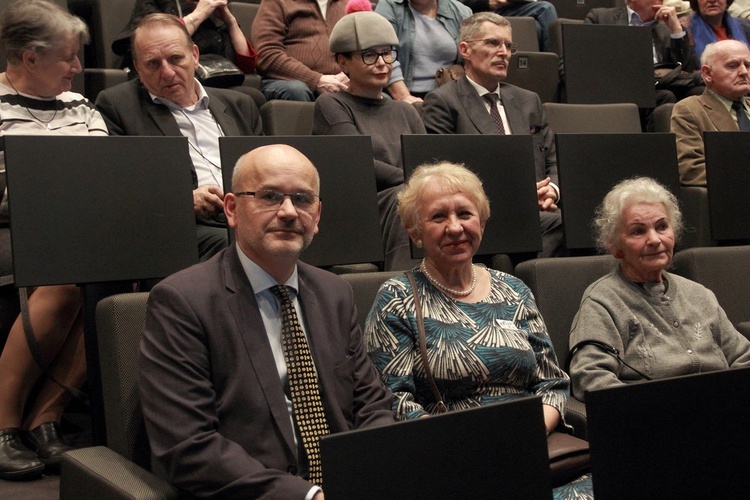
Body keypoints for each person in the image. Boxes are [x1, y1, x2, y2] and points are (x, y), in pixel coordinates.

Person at [139, 144, 395, 498]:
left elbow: (372, 405)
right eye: (270, 196)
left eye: (302, 199)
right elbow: (189, 447)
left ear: (317, 215)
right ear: (231, 209)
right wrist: (307, 496)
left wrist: (371, 470)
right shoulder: (183, 302)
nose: (289, 212)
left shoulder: (335, 293)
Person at [364, 162, 592, 499]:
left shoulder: (514, 289)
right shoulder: (396, 298)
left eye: (465, 214)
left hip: (535, 451)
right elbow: (393, 399)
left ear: (482, 222)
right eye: (438, 217)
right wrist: (471, 446)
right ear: (415, 231)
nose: (455, 227)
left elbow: (552, 383)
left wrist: (526, 435)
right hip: (451, 461)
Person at [0, 0, 108, 481]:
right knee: (68, 277)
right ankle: (4, 425)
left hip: (77, 227)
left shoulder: (80, 106)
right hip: (10, 230)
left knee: (115, 282)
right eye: (68, 57)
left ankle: (46, 418)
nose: (77, 68)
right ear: (30, 58)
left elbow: (107, 173)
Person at [96, 13, 263, 261]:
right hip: (185, 227)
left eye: (176, 59)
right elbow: (119, 191)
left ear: (194, 56)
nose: (168, 72)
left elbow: (265, 170)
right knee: (240, 247)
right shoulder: (118, 105)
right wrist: (183, 200)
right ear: (138, 68)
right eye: (153, 64)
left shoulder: (241, 103)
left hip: (249, 217)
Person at [568, 177, 750, 400]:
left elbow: (743, 357)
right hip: (657, 419)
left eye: (662, 226)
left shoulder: (699, 294)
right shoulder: (602, 301)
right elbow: (590, 378)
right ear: (616, 246)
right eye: (638, 231)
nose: (654, 239)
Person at [422, 12, 565, 258]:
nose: (504, 53)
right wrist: (521, 195)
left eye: (508, 45)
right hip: (482, 212)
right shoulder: (444, 102)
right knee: (564, 224)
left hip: (539, 210)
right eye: (492, 43)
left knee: (586, 220)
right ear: (465, 50)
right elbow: (444, 174)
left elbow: (553, 158)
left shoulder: (528, 100)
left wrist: (551, 189)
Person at [312, 11, 425, 271]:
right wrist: (417, 182)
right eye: (369, 55)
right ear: (343, 62)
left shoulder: (406, 110)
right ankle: (405, 295)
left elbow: (425, 161)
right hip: (361, 210)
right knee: (405, 197)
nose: (382, 63)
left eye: (387, 53)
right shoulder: (331, 104)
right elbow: (357, 163)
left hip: (411, 200)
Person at [586, 0, 701, 104]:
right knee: (666, 97)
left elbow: (685, 69)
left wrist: (677, 30)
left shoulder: (665, 28)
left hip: (659, 84)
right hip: (618, 87)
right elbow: (586, 60)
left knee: (700, 92)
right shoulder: (601, 18)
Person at [670, 39, 750, 186]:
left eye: (748, 65)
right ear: (707, 73)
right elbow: (691, 169)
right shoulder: (690, 110)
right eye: (733, 66)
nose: (744, 72)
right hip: (733, 198)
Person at [112, 0, 257, 76]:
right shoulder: (156, 3)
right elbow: (150, 39)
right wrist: (198, 15)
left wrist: (230, 22)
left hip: (218, 78)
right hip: (174, 76)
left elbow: (246, 65)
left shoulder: (214, 6)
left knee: (250, 96)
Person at [374, 0, 473, 101]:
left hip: (451, 95)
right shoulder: (390, 6)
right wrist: (404, 97)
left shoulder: (461, 11)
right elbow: (384, 53)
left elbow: (473, 58)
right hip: (404, 95)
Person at [251, 0, 349, 102]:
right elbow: (266, 54)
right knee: (296, 90)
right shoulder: (278, 2)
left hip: (343, 83)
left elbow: (363, 50)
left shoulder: (349, 3)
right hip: (286, 81)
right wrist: (316, 80)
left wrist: (350, 76)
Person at [461, 0, 558, 52]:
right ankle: (556, 64)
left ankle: (553, 62)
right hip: (484, 10)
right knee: (545, 9)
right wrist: (488, 2)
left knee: (540, 20)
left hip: (511, 6)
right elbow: (460, 3)